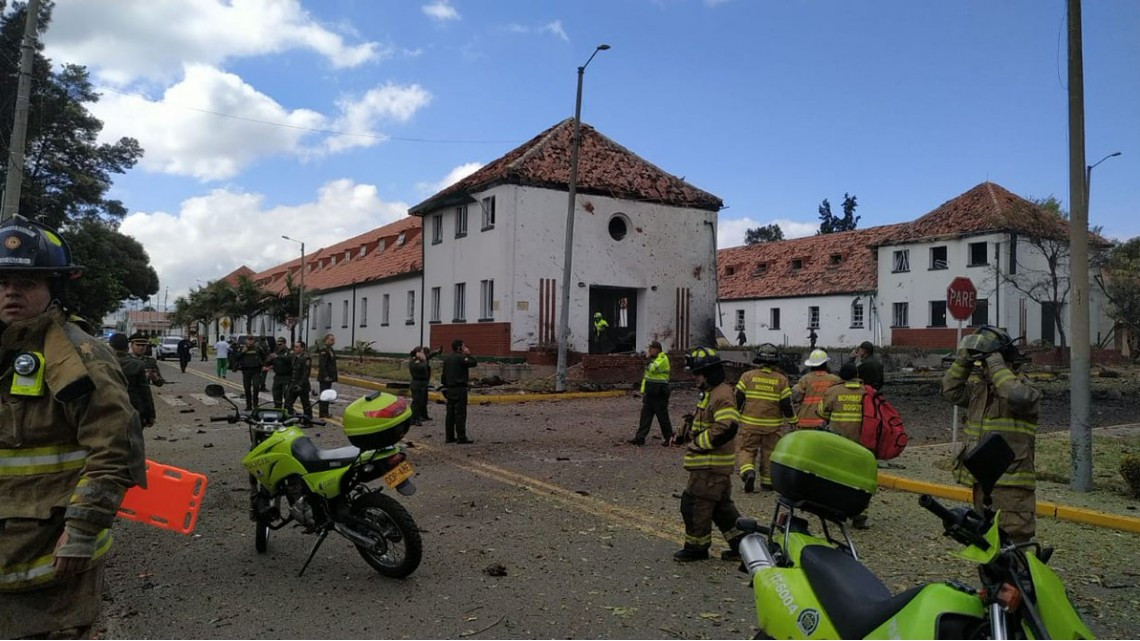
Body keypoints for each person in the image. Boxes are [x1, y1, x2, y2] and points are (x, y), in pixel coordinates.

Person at [0, 216, 145, 639]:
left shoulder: (80, 356)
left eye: (27, 281)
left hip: (50, 562)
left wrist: (83, 528)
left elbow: (114, 449)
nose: (11, 291)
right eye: (3, 280)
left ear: (54, 288)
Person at [941, 326, 1040, 543]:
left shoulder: (1027, 390)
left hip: (1012, 490)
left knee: (1013, 551)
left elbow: (1016, 396)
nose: (984, 368)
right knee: (987, 549)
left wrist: (996, 363)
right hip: (983, 485)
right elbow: (950, 391)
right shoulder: (980, 392)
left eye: (986, 363)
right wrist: (964, 361)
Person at [670, 347, 744, 562]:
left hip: (710, 466)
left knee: (694, 505)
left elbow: (727, 426)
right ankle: (742, 546)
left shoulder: (721, 395)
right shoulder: (711, 393)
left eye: (697, 373)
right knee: (721, 509)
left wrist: (698, 444)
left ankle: (696, 548)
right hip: (711, 466)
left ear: (709, 372)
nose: (694, 378)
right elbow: (706, 422)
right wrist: (686, 431)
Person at [734, 343, 797, 493]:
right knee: (769, 452)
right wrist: (793, 420)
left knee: (746, 449)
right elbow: (786, 404)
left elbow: (738, 399)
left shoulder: (747, 377)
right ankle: (767, 482)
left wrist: (734, 416)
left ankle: (748, 471)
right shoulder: (781, 380)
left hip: (750, 424)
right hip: (772, 427)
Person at [818, 362, 870, 529]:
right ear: (857, 375)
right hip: (862, 443)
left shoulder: (833, 391)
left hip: (838, 442)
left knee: (837, 477)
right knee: (861, 480)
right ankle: (860, 514)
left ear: (841, 376)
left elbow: (821, 412)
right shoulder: (867, 392)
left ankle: (836, 510)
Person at [629, 341, 673, 446]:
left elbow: (652, 368)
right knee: (645, 417)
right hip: (650, 393)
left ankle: (670, 438)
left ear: (657, 349)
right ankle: (640, 438)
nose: (649, 351)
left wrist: (647, 358)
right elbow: (647, 377)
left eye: (651, 349)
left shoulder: (662, 359)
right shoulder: (654, 359)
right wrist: (643, 391)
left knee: (663, 418)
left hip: (660, 393)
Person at [110, 332, 156, 428]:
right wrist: (150, 415)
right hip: (133, 408)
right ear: (128, 347)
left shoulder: (102, 363)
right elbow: (145, 391)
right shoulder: (137, 365)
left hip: (109, 408)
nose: (141, 347)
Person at [791, 349, 842, 430]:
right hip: (825, 423)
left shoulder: (806, 379)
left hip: (805, 422)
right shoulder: (835, 380)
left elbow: (794, 396)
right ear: (825, 364)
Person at [441, 339, 477, 444]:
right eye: (463, 346)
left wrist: (445, 385)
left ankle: (449, 437)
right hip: (459, 388)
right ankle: (461, 437)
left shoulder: (447, 359)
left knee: (450, 414)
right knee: (460, 414)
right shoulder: (461, 358)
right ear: (459, 348)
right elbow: (473, 363)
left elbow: (443, 376)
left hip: (449, 389)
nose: (465, 348)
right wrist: (468, 354)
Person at [409, 345, 442, 425]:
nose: (424, 354)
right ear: (418, 353)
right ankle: (414, 419)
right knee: (416, 402)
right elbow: (423, 367)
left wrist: (436, 352)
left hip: (423, 383)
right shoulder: (414, 361)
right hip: (417, 383)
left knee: (423, 401)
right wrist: (424, 360)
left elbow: (428, 356)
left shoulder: (421, 360)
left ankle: (423, 415)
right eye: (422, 352)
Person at [236, 335, 267, 411]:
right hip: (246, 370)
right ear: (246, 341)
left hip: (256, 370)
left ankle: (255, 405)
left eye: (251, 340)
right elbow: (236, 357)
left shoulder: (258, 348)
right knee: (247, 388)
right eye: (248, 340)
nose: (250, 341)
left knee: (256, 387)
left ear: (254, 341)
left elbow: (264, 356)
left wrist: (262, 365)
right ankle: (248, 405)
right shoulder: (242, 348)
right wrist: (242, 352)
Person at [283, 340, 313, 418]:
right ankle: (289, 418)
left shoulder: (306, 358)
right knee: (288, 402)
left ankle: (308, 419)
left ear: (302, 348)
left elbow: (306, 373)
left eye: (297, 347)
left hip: (302, 386)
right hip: (293, 384)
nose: (295, 348)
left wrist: (300, 385)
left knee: (305, 403)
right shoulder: (294, 357)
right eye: (294, 347)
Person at [317, 333, 339, 418]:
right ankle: (323, 412)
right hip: (324, 377)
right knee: (324, 394)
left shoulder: (330, 350)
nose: (333, 341)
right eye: (331, 339)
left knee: (327, 394)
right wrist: (326, 375)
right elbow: (322, 365)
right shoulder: (324, 350)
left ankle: (325, 412)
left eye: (334, 340)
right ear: (326, 340)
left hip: (330, 376)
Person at [267, 337, 293, 408]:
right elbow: (268, 363)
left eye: (280, 344)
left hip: (286, 377)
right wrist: (269, 360)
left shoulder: (289, 352)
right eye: (278, 344)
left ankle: (287, 410)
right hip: (278, 377)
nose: (279, 346)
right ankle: (277, 409)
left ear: (284, 344)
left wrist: (278, 357)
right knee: (276, 395)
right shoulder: (276, 352)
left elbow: (289, 359)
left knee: (287, 395)